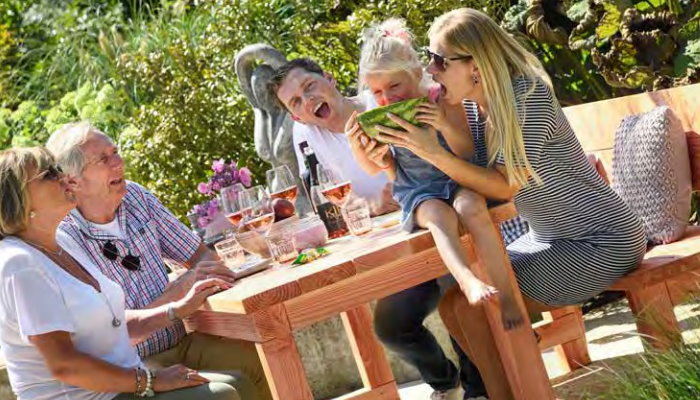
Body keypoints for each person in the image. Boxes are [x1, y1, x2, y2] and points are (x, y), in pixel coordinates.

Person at [374, 8, 646, 397]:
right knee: (453, 307)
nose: (431, 70)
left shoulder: (527, 97)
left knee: (476, 310)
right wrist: (392, 159)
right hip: (550, 238)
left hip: (601, 240)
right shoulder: (475, 107)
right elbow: (470, 184)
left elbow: (503, 188)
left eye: (438, 60)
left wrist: (434, 152)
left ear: (476, 66)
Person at [344, 19, 528, 400]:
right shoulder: (381, 115)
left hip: (457, 180)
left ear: (416, 73)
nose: (387, 98)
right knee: (441, 218)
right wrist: (363, 151)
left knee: (470, 206)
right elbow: (379, 168)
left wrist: (442, 124)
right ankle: (467, 280)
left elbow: (466, 152)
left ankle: (506, 296)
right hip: (420, 194)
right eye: (377, 92)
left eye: (395, 86)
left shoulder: (440, 101)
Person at [0, 146, 249, 400]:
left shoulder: (62, 243)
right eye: (49, 174)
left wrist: (177, 310)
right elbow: (64, 364)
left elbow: (114, 324)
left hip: (122, 385)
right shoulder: (20, 265)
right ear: (19, 199)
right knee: (221, 395)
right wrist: (150, 381)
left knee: (243, 381)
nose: (63, 176)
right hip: (95, 396)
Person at [45, 123, 271, 400]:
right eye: (104, 159)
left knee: (261, 358)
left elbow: (201, 256)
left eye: (115, 152)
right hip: (132, 367)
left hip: (182, 342)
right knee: (228, 389)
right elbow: (114, 333)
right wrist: (180, 290)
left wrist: (201, 272)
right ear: (73, 180)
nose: (119, 162)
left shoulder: (136, 198)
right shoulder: (65, 238)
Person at [268, 58, 399, 215]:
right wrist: (369, 207)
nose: (307, 99)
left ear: (329, 79)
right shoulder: (306, 135)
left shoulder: (380, 100)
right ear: (297, 118)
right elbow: (323, 205)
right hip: (380, 227)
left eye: (309, 86)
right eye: (296, 102)